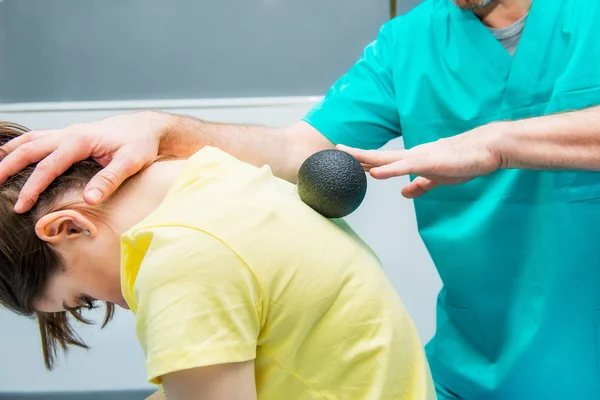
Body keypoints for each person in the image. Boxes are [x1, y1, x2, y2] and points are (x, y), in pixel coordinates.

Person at [2, 0, 600, 398]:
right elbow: (296, 152)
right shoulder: (411, 42)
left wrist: (497, 144)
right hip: (476, 366)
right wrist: (161, 127)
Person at [0, 121, 436, 399]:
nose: (127, 305)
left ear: (69, 228)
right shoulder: (217, 174)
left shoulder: (182, 260)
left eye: (85, 297)